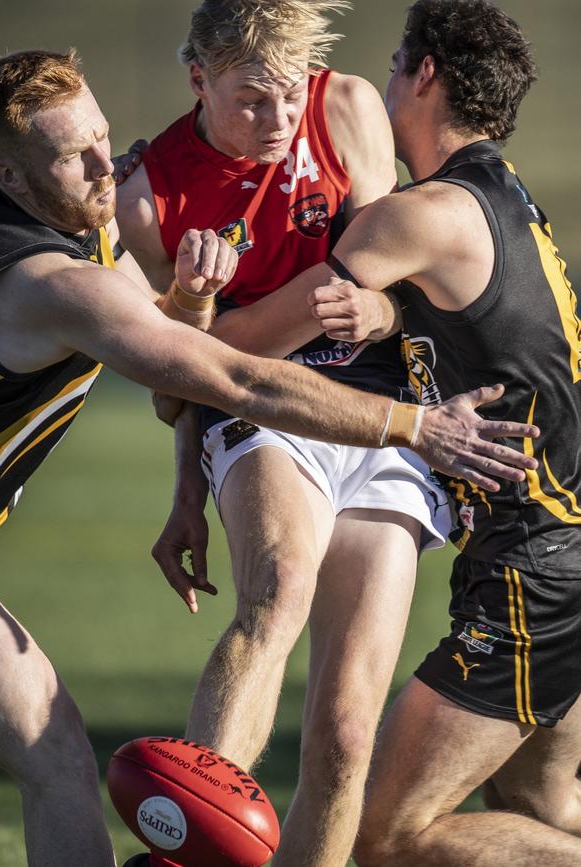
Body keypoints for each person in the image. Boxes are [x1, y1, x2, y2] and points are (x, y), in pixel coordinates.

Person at [0, 47, 536, 867]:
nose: (110, 165)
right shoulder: (44, 281)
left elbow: (172, 335)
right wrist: (415, 427)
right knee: (57, 757)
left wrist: (187, 298)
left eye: (104, 135)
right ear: (6, 173)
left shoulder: (56, 202)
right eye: (77, 157)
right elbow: (233, 377)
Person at [113, 1, 473, 863]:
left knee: (350, 728)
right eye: (250, 100)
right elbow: (180, 384)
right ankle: (189, 854)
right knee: (276, 593)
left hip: (383, 421)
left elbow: (402, 286)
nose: (278, 120)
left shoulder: (346, 107)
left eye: (288, 95)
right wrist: (188, 484)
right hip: (266, 408)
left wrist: (380, 308)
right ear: (198, 78)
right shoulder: (149, 192)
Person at [234, 1, 579, 864]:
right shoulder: (503, 200)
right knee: (542, 804)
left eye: (395, 63)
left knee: (387, 840)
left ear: (427, 74)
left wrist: (157, 298)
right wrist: (387, 312)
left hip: (535, 572)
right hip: (556, 550)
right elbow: (430, 311)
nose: (382, 82)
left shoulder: (413, 215)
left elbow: (240, 348)